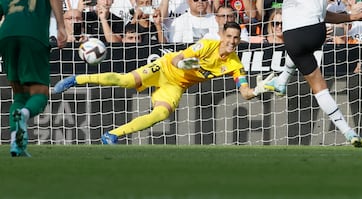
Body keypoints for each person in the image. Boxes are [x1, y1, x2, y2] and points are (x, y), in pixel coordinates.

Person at [52, 22, 276, 144]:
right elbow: (178, 57)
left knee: (160, 115)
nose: (232, 42)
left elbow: (245, 93)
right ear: (222, 35)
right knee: (126, 80)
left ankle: (112, 135)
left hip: (176, 86)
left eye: (236, 38)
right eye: (229, 37)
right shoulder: (207, 44)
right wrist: (182, 65)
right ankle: (76, 79)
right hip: (165, 68)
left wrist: (259, 89)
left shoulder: (235, 64)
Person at [267, 0, 362, 148]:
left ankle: (282, 81)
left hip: (291, 37)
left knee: (318, 88)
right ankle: (349, 133)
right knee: (320, 86)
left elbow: (321, 12)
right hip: (313, 32)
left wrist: (351, 17)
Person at [0, 0, 67, 157]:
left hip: (6, 37)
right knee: (39, 94)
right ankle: (26, 114)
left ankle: (16, 144)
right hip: (32, 37)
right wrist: (62, 27)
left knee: (19, 94)